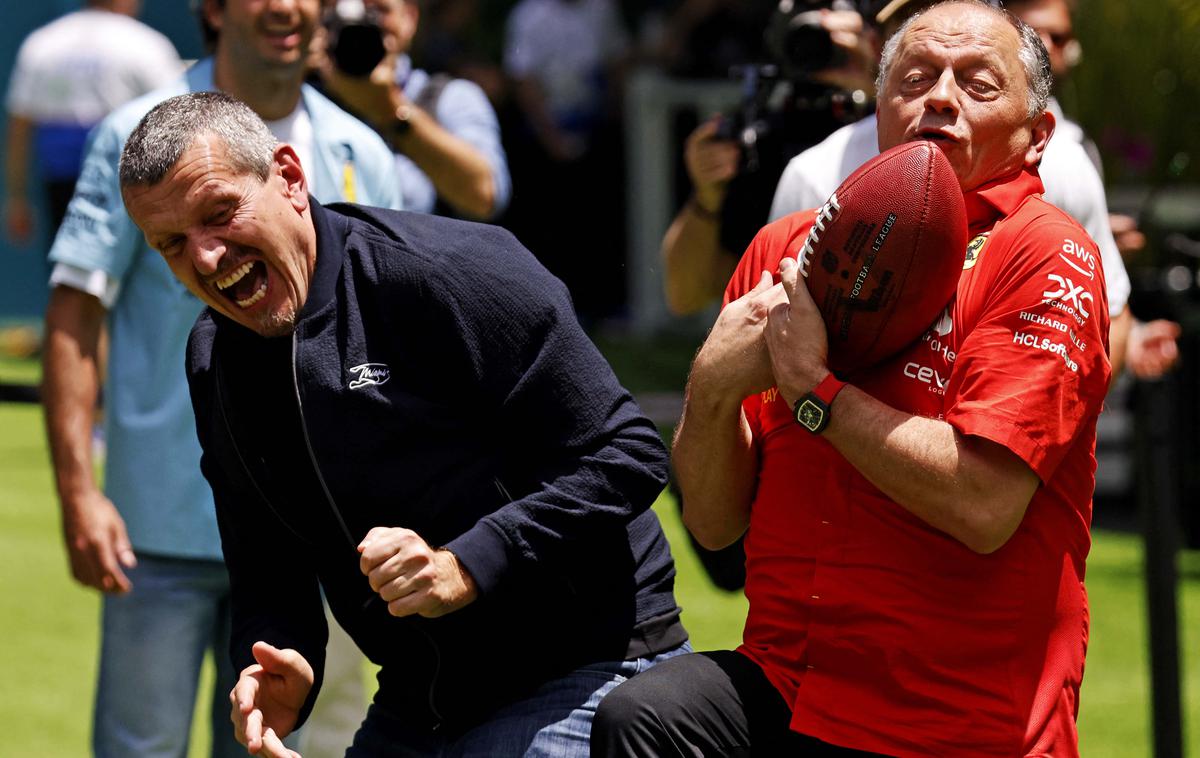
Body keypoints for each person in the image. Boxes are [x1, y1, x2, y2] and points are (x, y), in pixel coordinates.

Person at [594, 2, 1111, 755]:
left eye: (977, 83)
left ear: (1037, 136)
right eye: (914, 77)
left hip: (956, 719)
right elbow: (712, 524)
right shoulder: (784, 247)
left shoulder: (1046, 257)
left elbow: (984, 501)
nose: (939, 96)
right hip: (790, 683)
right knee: (644, 719)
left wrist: (814, 394)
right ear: (878, 109)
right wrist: (711, 388)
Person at [116, 90, 689, 758]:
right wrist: (284, 659)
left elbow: (627, 454)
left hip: (585, 667)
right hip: (419, 701)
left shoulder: (448, 273)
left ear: (291, 179)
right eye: (172, 245)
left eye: (219, 214)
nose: (207, 258)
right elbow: (266, 559)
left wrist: (465, 563)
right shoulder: (216, 355)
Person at [39, 0, 400, 754]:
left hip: (316, 538)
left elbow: (389, 334)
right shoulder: (136, 136)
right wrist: (78, 493)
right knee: (140, 748)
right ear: (213, 8)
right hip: (161, 527)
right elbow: (75, 316)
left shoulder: (359, 149)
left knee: (286, 750)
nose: (286, 6)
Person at [1004, 0, 1180, 378]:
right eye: (1035, 33)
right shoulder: (961, 129)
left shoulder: (1076, 147)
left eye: (1061, 37)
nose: (1050, 45)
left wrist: (1132, 339)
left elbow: (1103, 305)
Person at [4, 0, 181, 247]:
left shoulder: (42, 43)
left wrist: (16, 197)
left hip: (63, 187)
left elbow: (20, 128)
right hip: (128, 184)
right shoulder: (145, 45)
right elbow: (179, 120)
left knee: (68, 271)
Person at [314, 0, 511, 220]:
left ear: (409, 18)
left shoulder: (450, 97)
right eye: (346, 12)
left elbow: (485, 197)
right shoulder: (301, 98)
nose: (362, 22)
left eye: (378, 10)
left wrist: (390, 110)